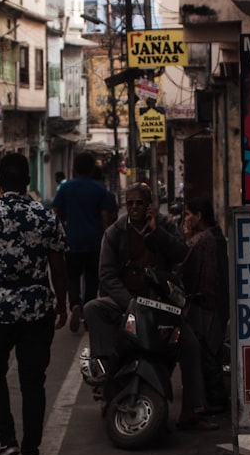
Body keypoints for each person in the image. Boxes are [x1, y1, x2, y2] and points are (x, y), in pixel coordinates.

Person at [84, 183, 216, 430]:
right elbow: (107, 275)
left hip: (161, 303)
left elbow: (181, 254)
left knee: (190, 345)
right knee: (93, 308)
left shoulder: (164, 225)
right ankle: (105, 374)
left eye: (139, 203)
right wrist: (129, 303)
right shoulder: (114, 232)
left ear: (149, 204)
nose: (134, 207)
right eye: (130, 202)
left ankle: (192, 410)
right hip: (127, 301)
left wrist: (156, 233)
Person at [0, 153, 67, 455]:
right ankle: (31, 454)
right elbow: (58, 267)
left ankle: (6, 439)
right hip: (37, 307)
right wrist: (61, 304)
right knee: (33, 381)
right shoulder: (45, 216)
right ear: (27, 181)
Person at [52, 152, 118, 333]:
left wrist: (62, 229)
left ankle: (74, 303)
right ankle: (88, 314)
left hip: (71, 240)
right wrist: (110, 243)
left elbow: (55, 212)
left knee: (72, 276)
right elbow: (106, 218)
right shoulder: (100, 189)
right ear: (91, 169)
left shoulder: (66, 188)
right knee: (91, 279)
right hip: (94, 242)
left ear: (74, 169)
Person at [179, 197, 231, 411]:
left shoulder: (201, 240)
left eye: (188, 215)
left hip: (206, 306)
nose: (186, 219)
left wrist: (186, 236)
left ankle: (212, 401)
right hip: (216, 304)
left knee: (205, 354)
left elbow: (182, 261)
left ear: (199, 216)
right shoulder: (215, 236)